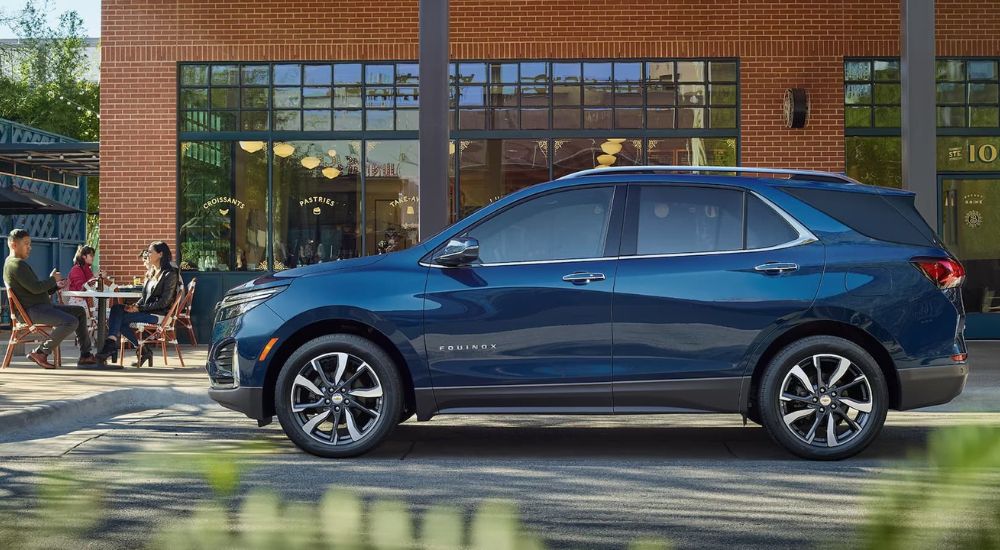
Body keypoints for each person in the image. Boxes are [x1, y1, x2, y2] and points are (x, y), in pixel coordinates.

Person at [2, 229, 96, 368]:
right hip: (31, 311)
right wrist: (53, 279)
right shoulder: (16, 264)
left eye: (30, 244)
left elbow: (34, 290)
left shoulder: (14, 263)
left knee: (79, 312)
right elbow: (35, 288)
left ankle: (85, 355)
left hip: (40, 306)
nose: (30, 247)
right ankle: (41, 352)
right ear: (13, 244)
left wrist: (55, 286)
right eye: (26, 244)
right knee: (70, 321)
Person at [95, 241, 181, 367]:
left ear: (160, 254)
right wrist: (135, 306)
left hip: (159, 314)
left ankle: (115, 346)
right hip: (146, 310)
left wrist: (139, 308)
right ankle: (119, 344)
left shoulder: (170, 274)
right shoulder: (151, 273)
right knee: (117, 309)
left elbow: (164, 303)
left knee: (120, 320)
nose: (147, 254)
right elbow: (144, 297)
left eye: (150, 251)